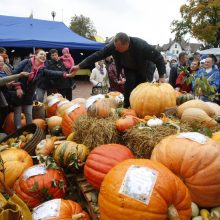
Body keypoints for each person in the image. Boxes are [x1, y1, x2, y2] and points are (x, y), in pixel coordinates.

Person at [70, 32, 166, 107]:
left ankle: (140, 108)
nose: (115, 50)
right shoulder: (114, 46)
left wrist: (161, 76)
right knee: (129, 86)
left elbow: (158, 58)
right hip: (129, 68)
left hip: (144, 68)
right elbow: (98, 55)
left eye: (118, 48)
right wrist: (79, 66)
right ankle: (126, 107)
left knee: (141, 88)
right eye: (115, 47)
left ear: (127, 44)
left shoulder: (141, 46)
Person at [12, 49, 74, 129]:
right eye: (41, 54)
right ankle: (18, 130)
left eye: (45, 55)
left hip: (29, 92)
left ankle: (29, 130)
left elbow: (51, 73)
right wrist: (18, 87)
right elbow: (14, 74)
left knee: (28, 112)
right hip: (19, 90)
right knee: (18, 111)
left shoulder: (41, 69)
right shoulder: (26, 62)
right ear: (35, 55)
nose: (43, 56)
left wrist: (66, 74)